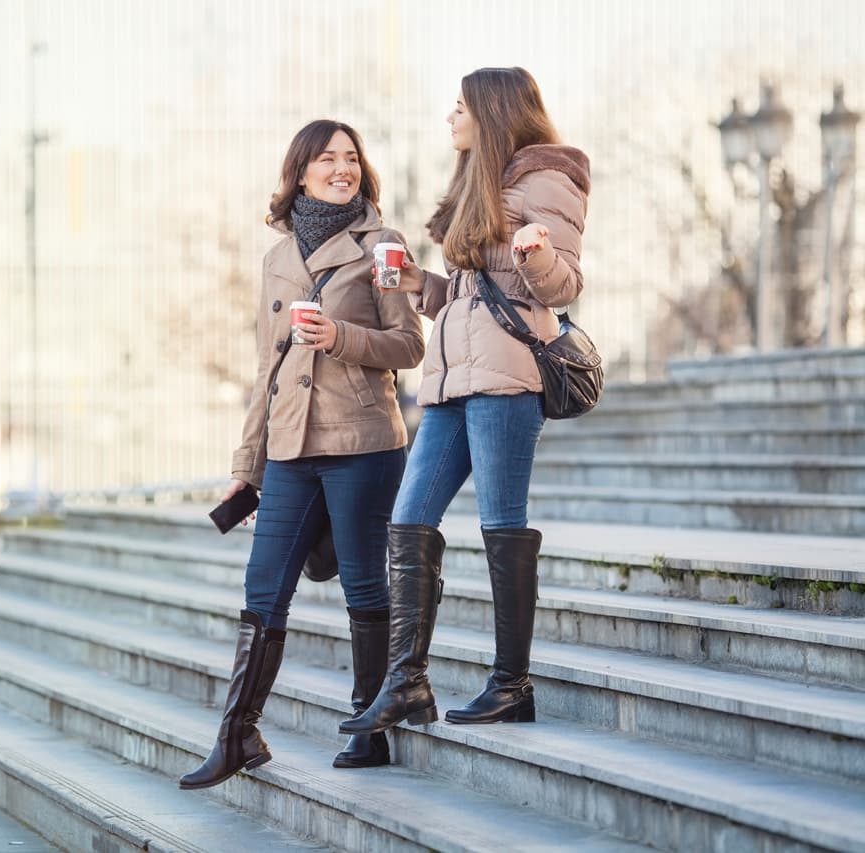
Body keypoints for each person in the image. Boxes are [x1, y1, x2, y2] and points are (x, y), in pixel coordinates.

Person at [339, 67, 590, 736]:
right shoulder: (483, 184)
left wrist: (536, 254)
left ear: (492, 111)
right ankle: (406, 682)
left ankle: (512, 685)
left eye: (460, 107)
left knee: (501, 524)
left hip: (507, 381)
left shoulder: (546, 182)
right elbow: (472, 298)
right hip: (449, 385)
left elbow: (560, 284)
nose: (450, 116)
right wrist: (420, 282)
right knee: (408, 518)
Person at [178, 120, 425, 790]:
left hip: (363, 443)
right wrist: (245, 463)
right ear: (301, 171)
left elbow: (409, 345)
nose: (342, 168)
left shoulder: (385, 246)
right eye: (327, 159)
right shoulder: (276, 259)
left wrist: (341, 335)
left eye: (351, 158)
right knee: (264, 588)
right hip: (288, 448)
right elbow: (267, 369)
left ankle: (370, 726)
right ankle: (237, 734)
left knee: (365, 585)